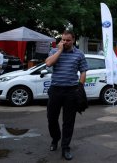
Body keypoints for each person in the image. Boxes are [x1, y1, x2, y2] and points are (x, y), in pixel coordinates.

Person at [45, 30, 88, 161]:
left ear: (73, 40)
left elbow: (83, 71)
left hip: (71, 91)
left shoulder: (79, 54)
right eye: (63, 40)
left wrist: (80, 87)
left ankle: (65, 147)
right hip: (55, 90)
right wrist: (59, 50)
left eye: (68, 40)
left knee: (68, 122)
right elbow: (48, 64)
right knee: (51, 118)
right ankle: (55, 138)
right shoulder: (54, 51)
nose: (65, 42)